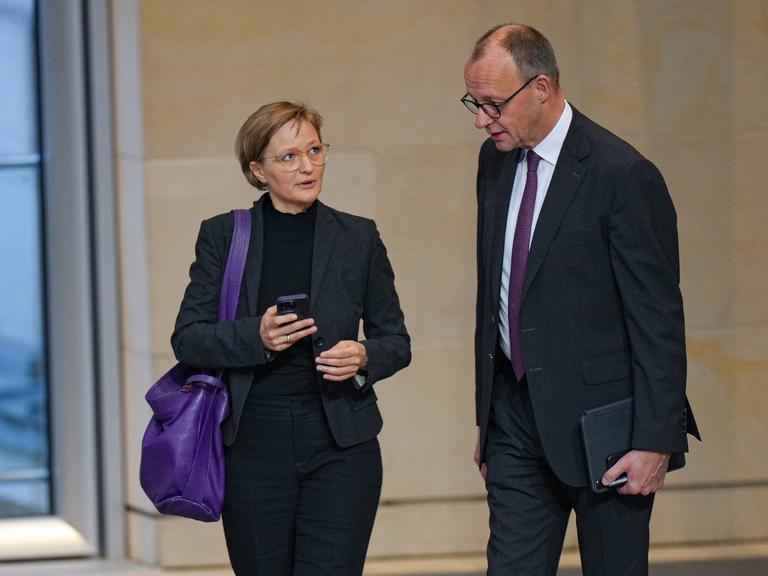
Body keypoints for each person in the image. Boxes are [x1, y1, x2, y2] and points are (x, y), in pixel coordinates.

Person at [462, 24, 700, 575]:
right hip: (515, 423)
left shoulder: (623, 175)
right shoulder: (493, 162)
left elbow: (657, 318)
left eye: (493, 105)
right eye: (474, 103)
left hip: (609, 432)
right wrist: (488, 421)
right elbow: (495, 293)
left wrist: (655, 439)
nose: (481, 120)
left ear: (541, 87)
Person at [171, 101, 411, 576]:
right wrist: (255, 336)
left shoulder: (358, 238)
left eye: (315, 150)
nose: (307, 166)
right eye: (288, 157)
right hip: (252, 445)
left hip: (341, 443)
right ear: (257, 170)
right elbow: (189, 338)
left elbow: (396, 340)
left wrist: (363, 356)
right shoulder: (224, 235)